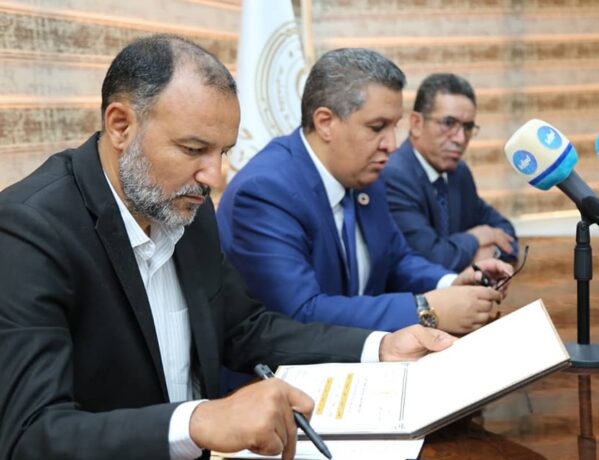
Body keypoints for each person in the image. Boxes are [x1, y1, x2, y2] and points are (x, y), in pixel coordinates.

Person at [0, 35, 456, 460]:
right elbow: (29, 433)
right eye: (193, 149)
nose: (213, 177)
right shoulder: (29, 230)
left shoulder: (184, 206)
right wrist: (198, 421)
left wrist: (380, 346)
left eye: (222, 152)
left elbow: (245, 329)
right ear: (121, 126)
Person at [218, 49, 512, 337]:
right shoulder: (265, 191)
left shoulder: (363, 174)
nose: (392, 145)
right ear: (325, 123)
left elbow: (397, 260)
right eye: (377, 127)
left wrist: (450, 284)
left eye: (394, 127)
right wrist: (424, 309)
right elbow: (301, 313)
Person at [383, 73, 518, 272]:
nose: (460, 139)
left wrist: (490, 253)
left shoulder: (459, 173)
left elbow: (506, 231)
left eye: (468, 127)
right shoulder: (394, 175)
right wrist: (477, 237)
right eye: (448, 123)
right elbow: (431, 258)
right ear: (416, 124)